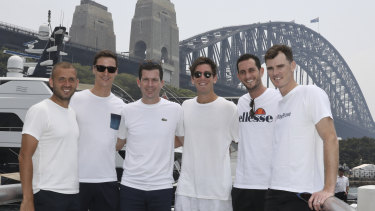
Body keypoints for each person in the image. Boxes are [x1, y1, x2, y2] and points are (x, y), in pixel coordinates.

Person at [263, 44, 339, 211]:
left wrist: (328, 189)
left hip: (303, 194)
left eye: (280, 66)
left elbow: (330, 138)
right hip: (274, 191)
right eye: (270, 68)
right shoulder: (276, 103)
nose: (275, 73)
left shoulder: (310, 93)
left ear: (292, 66)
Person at [116, 60, 184, 211]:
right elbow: (119, 143)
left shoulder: (175, 110)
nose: (150, 84)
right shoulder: (127, 110)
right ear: (139, 82)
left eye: (154, 80)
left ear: (162, 83)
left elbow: (182, 139)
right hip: (131, 186)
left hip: (162, 187)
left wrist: (161, 144)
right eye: (146, 79)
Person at [175, 57, 239, 211]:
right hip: (186, 191)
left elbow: (246, 144)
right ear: (192, 79)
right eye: (197, 74)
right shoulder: (185, 106)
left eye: (207, 74)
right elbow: (179, 140)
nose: (202, 78)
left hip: (217, 194)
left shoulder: (229, 108)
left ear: (215, 78)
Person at [19, 62, 80, 211]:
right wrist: (27, 200)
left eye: (71, 79)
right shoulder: (40, 110)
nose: (67, 84)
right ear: (51, 82)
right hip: (47, 194)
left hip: (72, 194)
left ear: (77, 83)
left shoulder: (72, 112)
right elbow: (24, 156)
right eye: (62, 79)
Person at [70, 50, 125, 211]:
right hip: (76, 180)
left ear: (116, 72)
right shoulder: (76, 99)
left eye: (111, 69)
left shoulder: (122, 107)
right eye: (101, 68)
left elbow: (120, 141)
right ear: (94, 69)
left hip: (107, 180)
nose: (106, 73)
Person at [232, 54, 282, 211]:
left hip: (269, 185)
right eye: (243, 72)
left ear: (261, 71)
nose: (248, 76)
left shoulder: (278, 98)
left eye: (251, 70)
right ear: (239, 75)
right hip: (242, 185)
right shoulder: (242, 102)